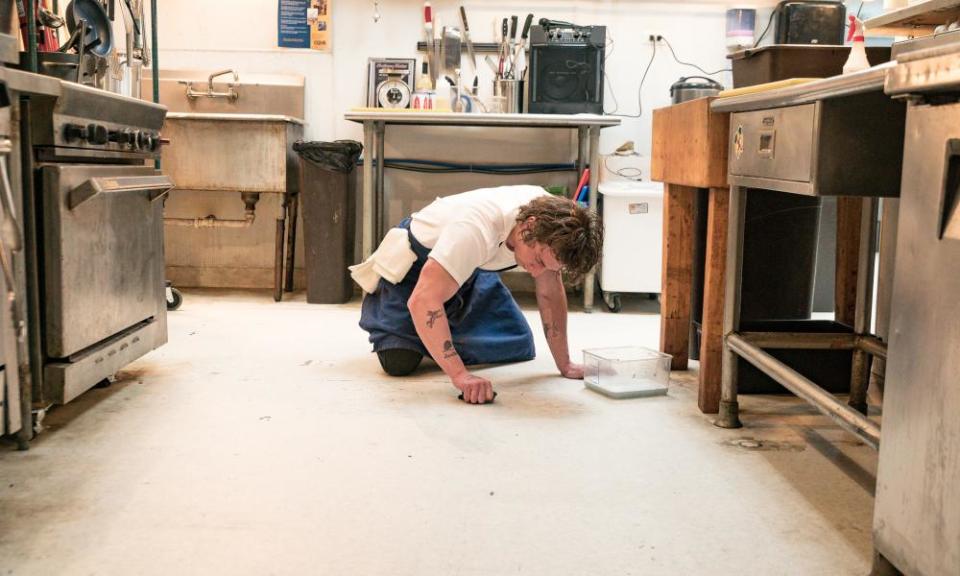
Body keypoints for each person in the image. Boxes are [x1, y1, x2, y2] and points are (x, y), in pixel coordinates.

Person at [354, 185, 602, 404]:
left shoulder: (556, 223)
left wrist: (565, 364)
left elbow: (549, 293)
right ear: (530, 225)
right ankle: (420, 328)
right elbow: (422, 300)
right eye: (537, 260)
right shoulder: (475, 229)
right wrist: (461, 376)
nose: (539, 272)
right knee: (399, 361)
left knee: (518, 343)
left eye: (549, 267)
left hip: (469, 269)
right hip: (415, 270)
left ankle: (443, 329)